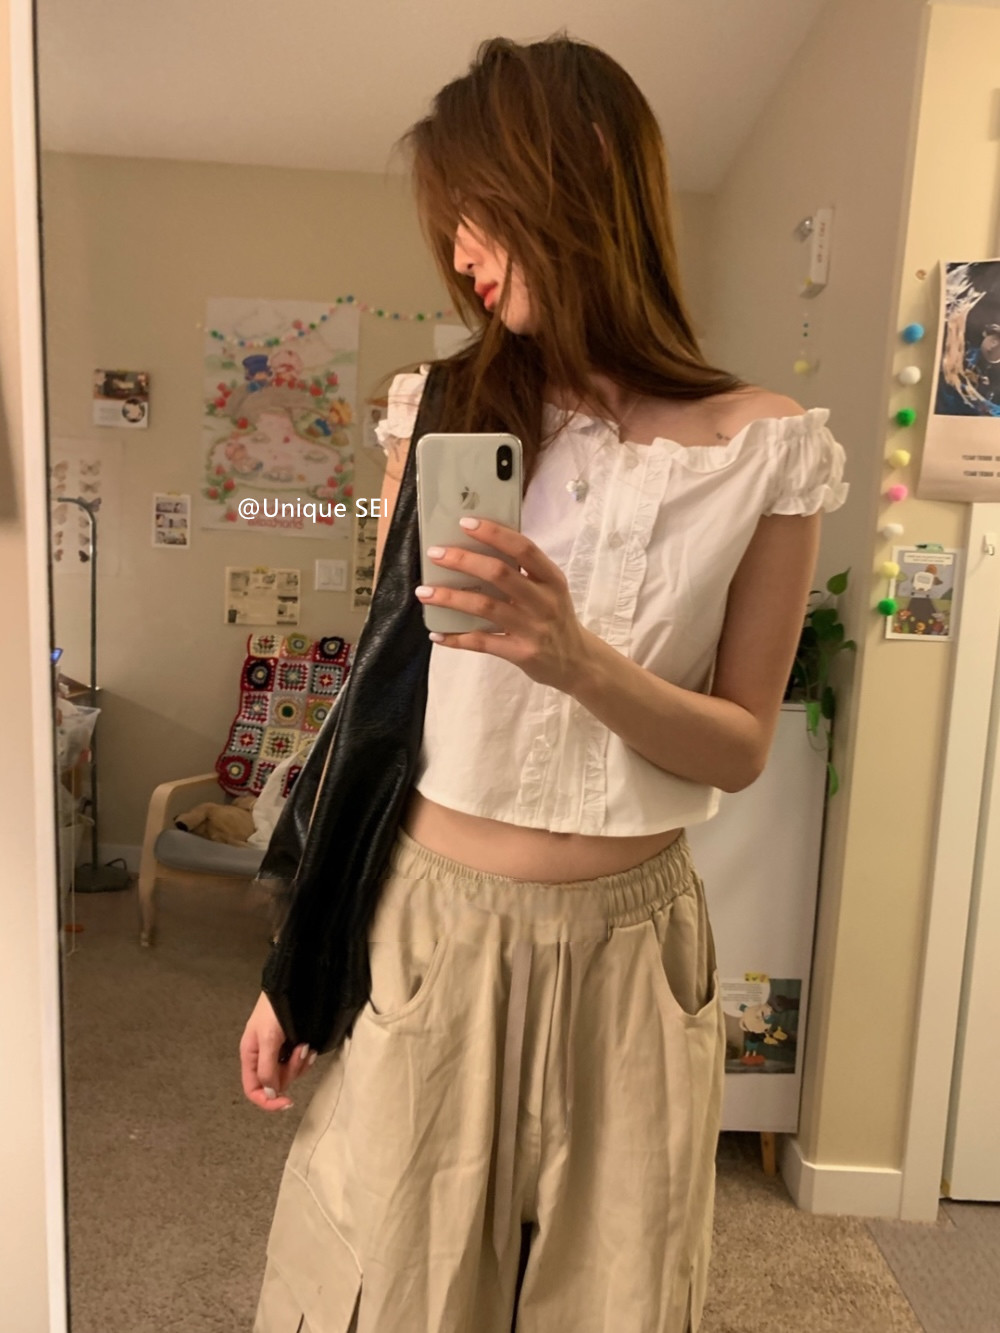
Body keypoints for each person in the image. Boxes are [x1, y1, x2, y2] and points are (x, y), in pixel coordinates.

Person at [241, 34, 849, 1333]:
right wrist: (298, 962)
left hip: (635, 954)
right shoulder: (441, 409)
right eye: (448, 226)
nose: (459, 254)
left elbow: (740, 745)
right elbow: (380, 707)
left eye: (476, 211)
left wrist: (577, 661)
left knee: (614, 1304)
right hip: (432, 929)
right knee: (393, 1292)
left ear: (577, 176)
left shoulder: (766, 451)